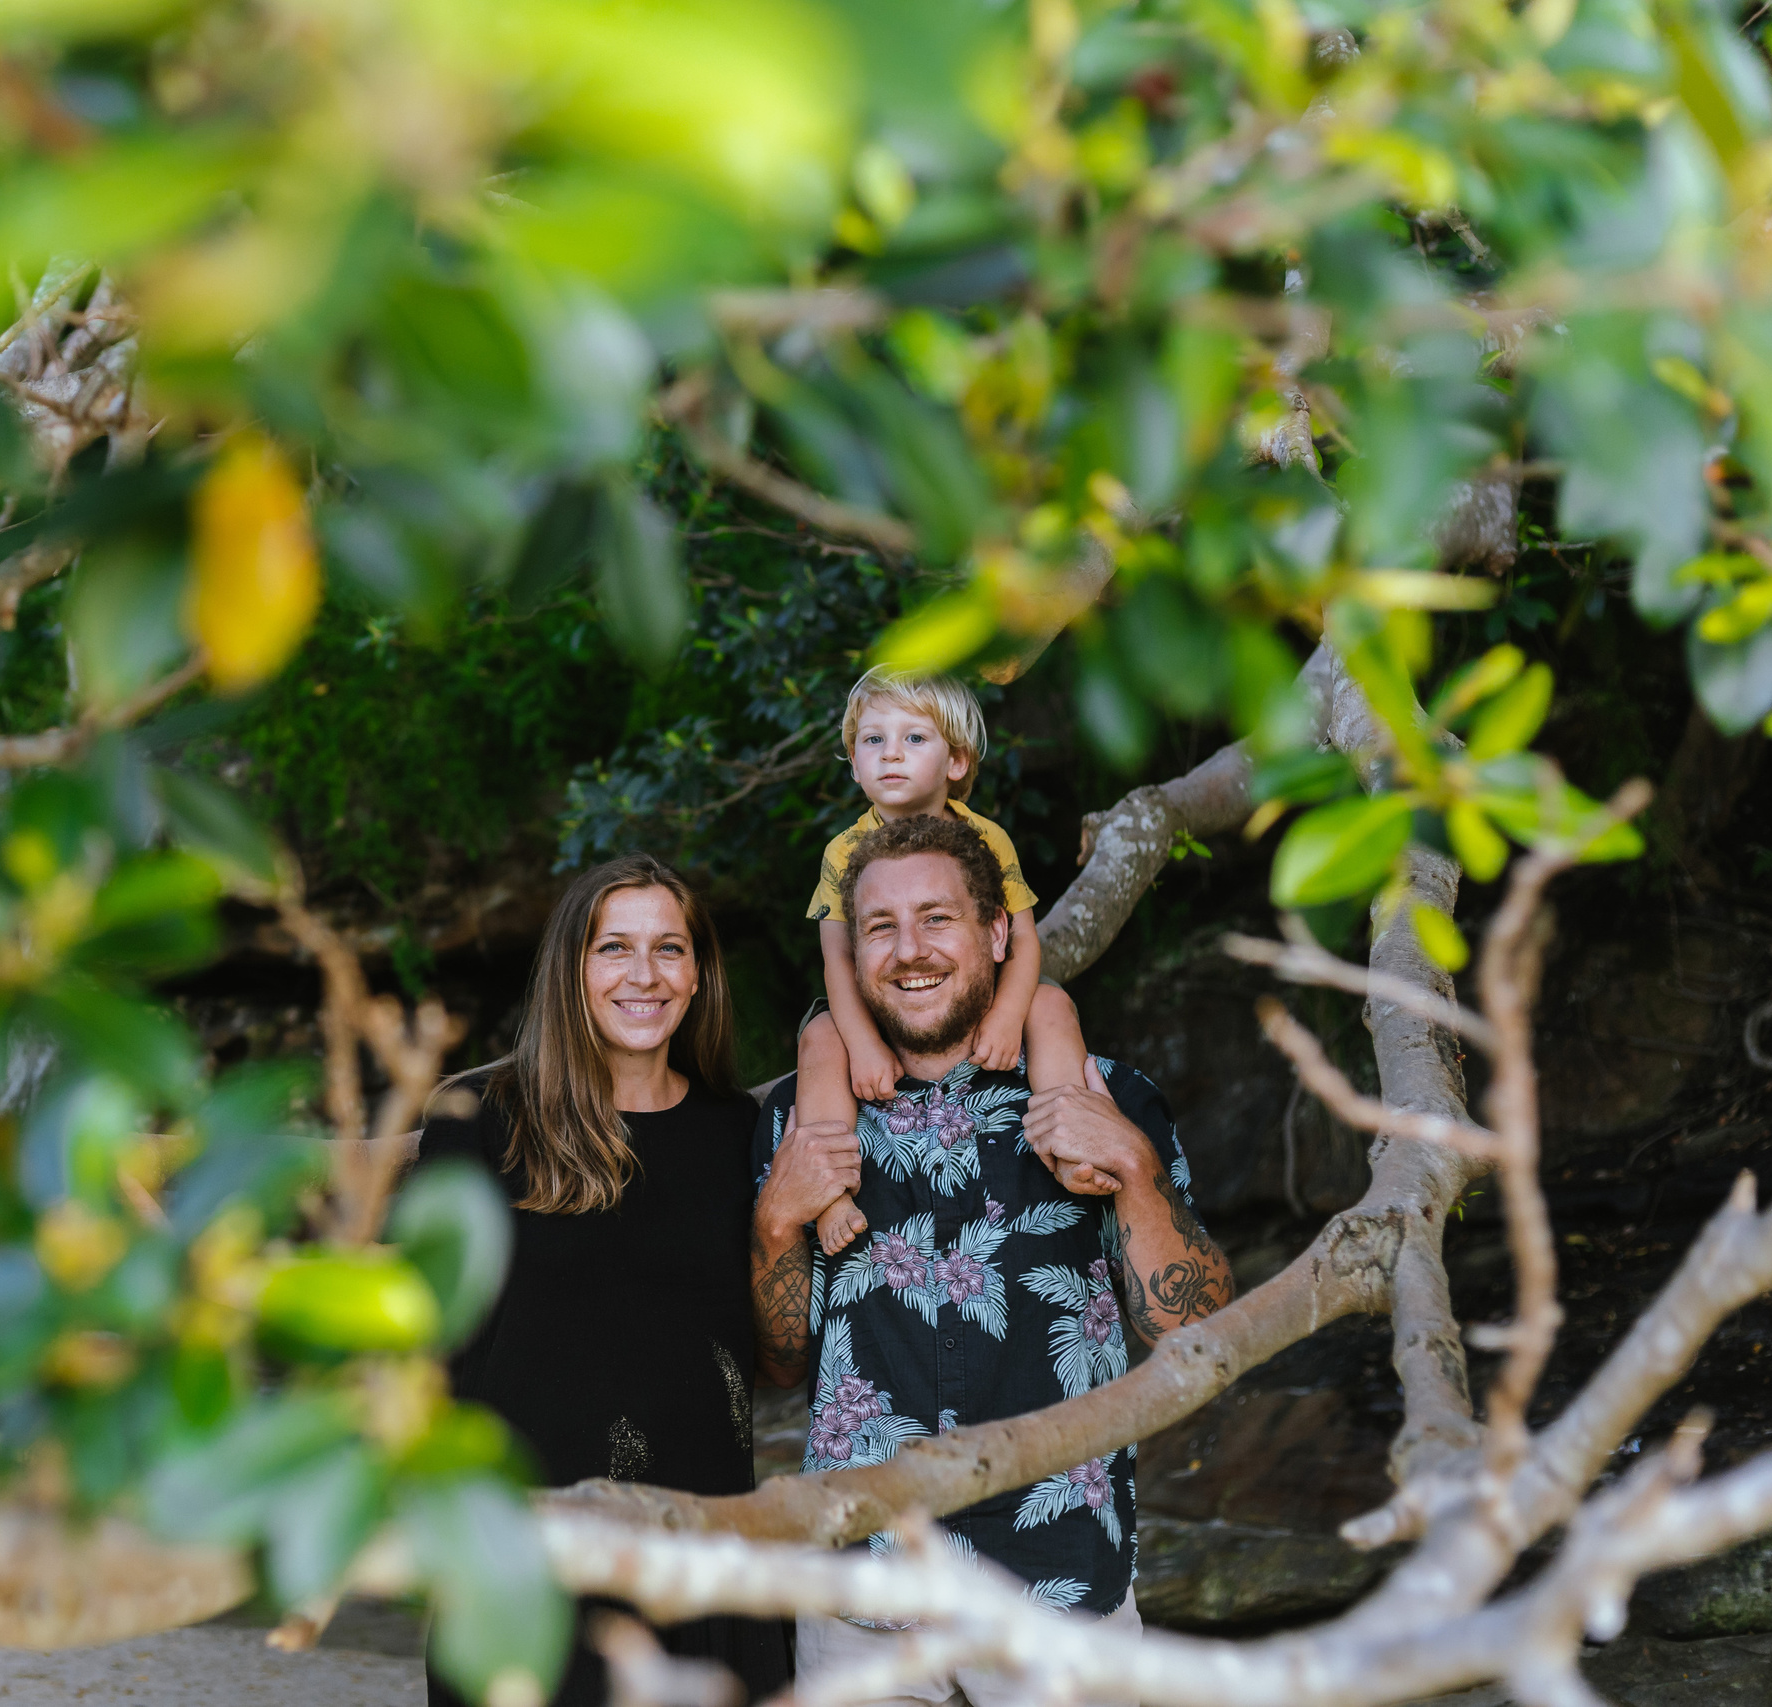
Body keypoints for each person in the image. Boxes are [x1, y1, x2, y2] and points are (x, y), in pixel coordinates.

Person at [751, 812, 1234, 1707]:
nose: (909, 949)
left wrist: (1132, 1169)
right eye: (880, 927)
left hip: (1059, 1591)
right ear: (851, 956)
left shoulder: (1101, 1092)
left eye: (937, 917)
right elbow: (781, 1364)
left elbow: (1194, 1325)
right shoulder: (800, 1119)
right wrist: (778, 1225)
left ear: (997, 931)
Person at [418, 853, 792, 1707]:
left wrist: (781, 1219)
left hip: (708, 1553)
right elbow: (428, 1351)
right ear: (570, 969)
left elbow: (779, 1357)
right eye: (613, 947)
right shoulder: (477, 1121)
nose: (644, 974)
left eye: (669, 948)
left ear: (698, 974)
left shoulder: (742, 1131)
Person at [797, 666, 1092, 1256]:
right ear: (853, 764)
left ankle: (1071, 1141)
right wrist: (865, 1044)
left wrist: (1008, 1017)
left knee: (1054, 1003)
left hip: (972, 995)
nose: (891, 755)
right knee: (820, 1036)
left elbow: (1025, 941)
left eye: (914, 738)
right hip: (884, 1003)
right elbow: (837, 959)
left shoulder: (988, 838)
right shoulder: (843, 851)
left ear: (956, 762)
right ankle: (827, 1189)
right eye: (873, 741)